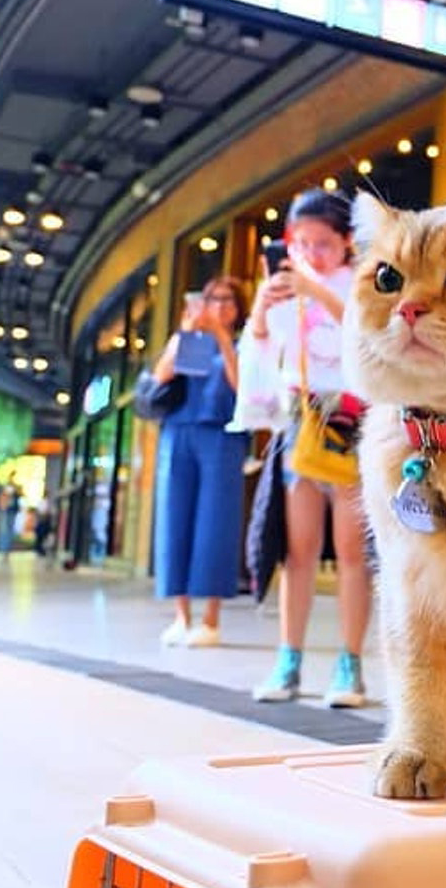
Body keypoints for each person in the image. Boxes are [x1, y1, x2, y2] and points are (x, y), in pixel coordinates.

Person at [248, 189, 372, 707]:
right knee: (298, 553)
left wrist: (314, 289)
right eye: (301, 243)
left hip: (349, 420)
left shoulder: (362, 283)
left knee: (351, 553)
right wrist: (261, 306)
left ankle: (350, 666)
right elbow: (263, 349)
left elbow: (366, 333)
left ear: (346, 241)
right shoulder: (286, 288)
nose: (311, 253)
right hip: (301, 421)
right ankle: (288, 660)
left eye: (323, 243)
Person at [150, 274, 250, 648]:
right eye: (212, 299)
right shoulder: (186, 338)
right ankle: (181, 616)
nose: (219, 307)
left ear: (238, 309)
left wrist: (222, 338)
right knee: (174, 518)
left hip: (223, 435)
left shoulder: (244, 343)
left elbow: (244, 388)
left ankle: (210, 619)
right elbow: (159, 379)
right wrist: (184, 334)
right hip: (178, 430)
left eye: (227, 300)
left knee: (215, 523)